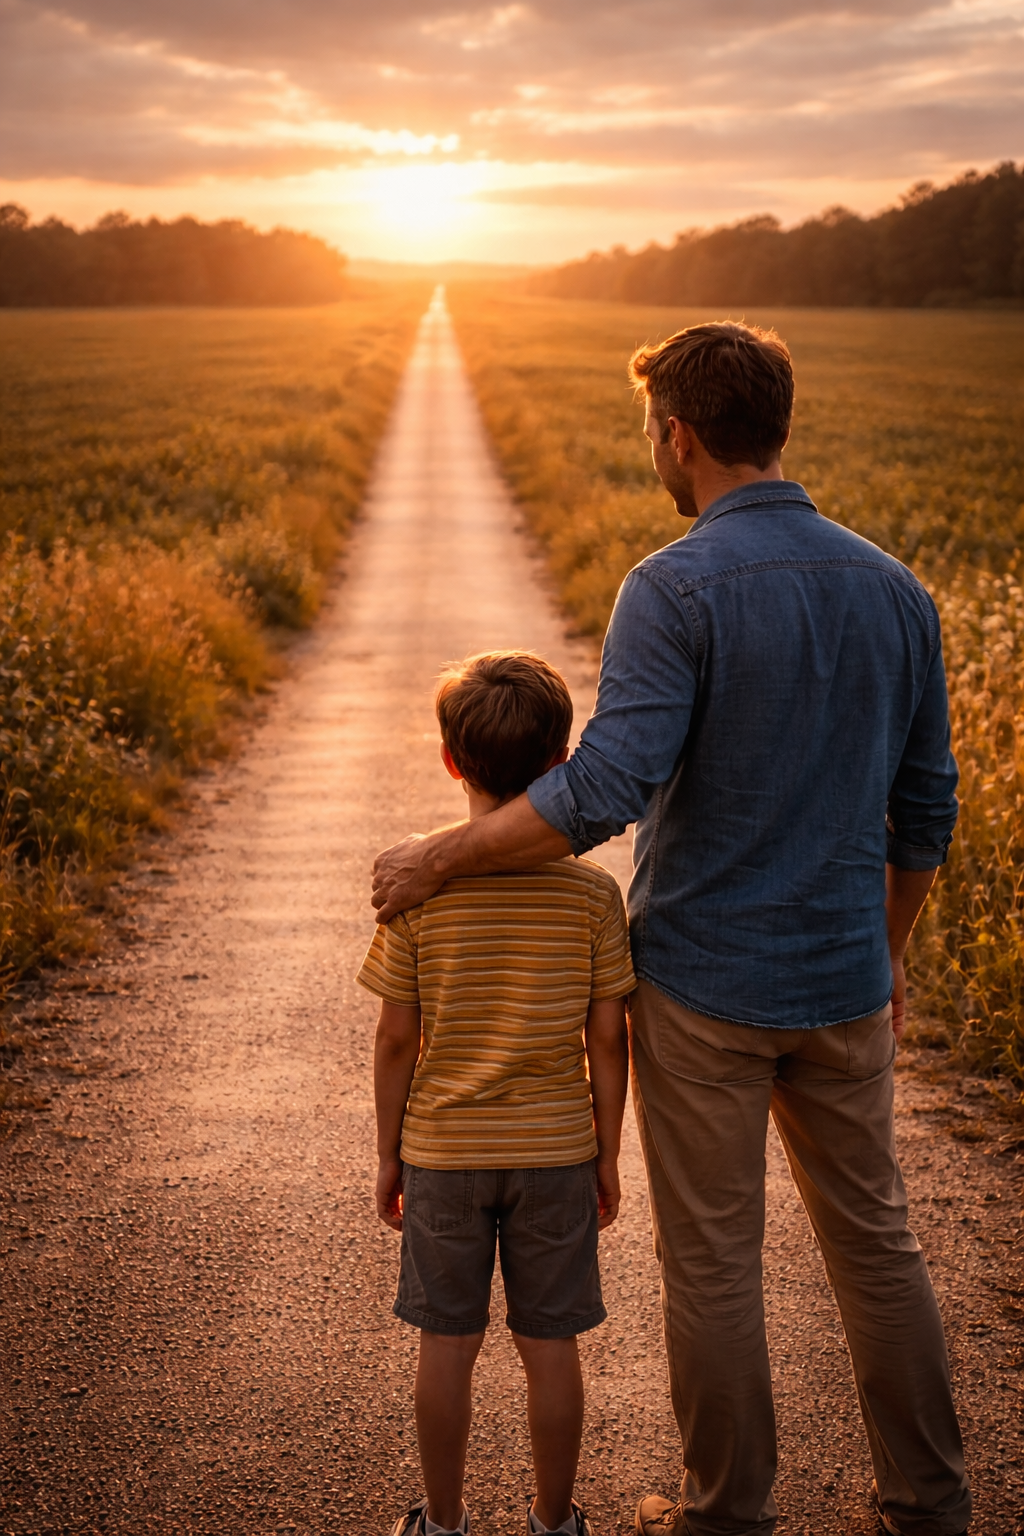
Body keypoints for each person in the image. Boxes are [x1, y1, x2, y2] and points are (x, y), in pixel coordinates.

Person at [370, 323, 972, 1536]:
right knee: (879, 1246)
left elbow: (602, 789)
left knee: (713, 1264)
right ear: (779, 427)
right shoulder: (896, 588)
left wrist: (438, 857)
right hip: (846, 978)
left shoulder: (673, 585)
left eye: (653, 430)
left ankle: (725, 1514)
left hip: (703, 987)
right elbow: (925, 815)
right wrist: (886, 951)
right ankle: (927, 1503)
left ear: (677, 435)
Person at [359, 650, 636, 1536]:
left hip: (444, 1155)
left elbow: (398, 1036)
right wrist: (608, 1151)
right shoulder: (594, 898)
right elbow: (608, 1037)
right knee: (550, 1349)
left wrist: (388, 1154)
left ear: (450, 761)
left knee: (448, 1346)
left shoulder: (419, 895)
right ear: (562, 764)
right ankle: (555, 1524)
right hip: (557, 1154)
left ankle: (443, 1526)